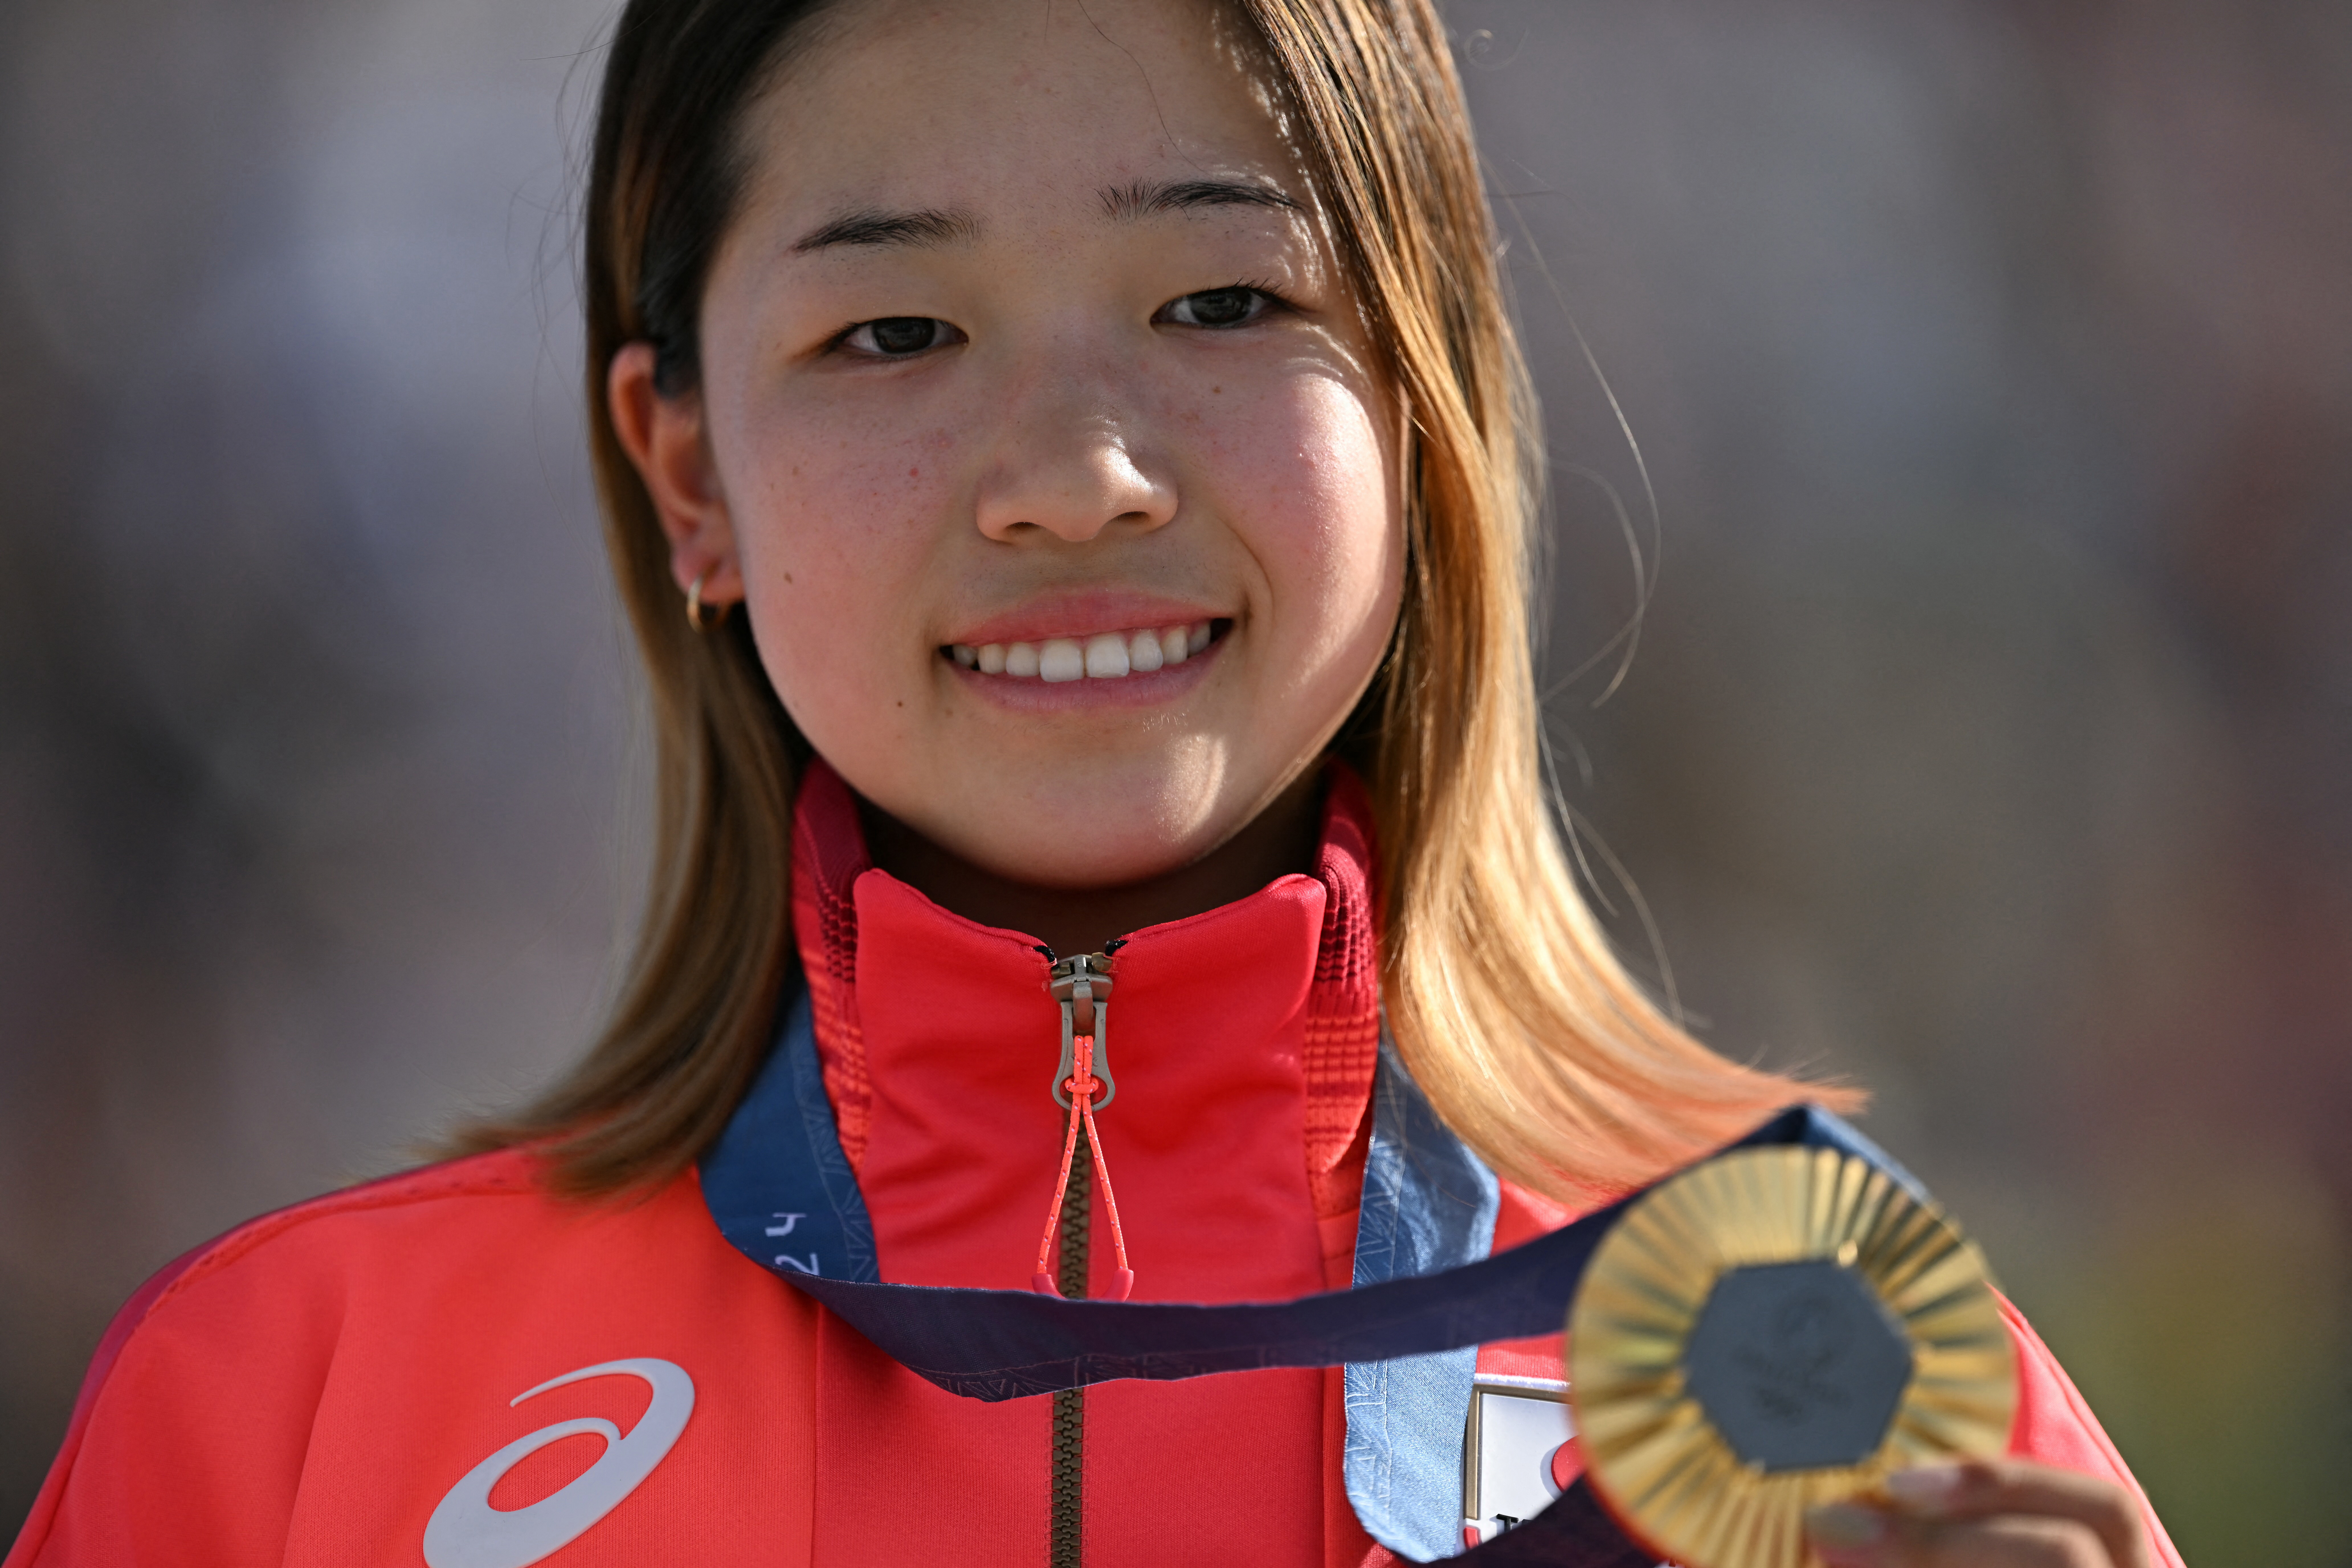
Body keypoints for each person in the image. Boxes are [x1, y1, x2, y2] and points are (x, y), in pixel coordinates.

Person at [4, 1, 2182, 1565]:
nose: (1079, 477)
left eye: (1223, 301)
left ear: (1419, 412)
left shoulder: (1798, 1347)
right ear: (691, 477)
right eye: (895, 335)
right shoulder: (290, 1407)